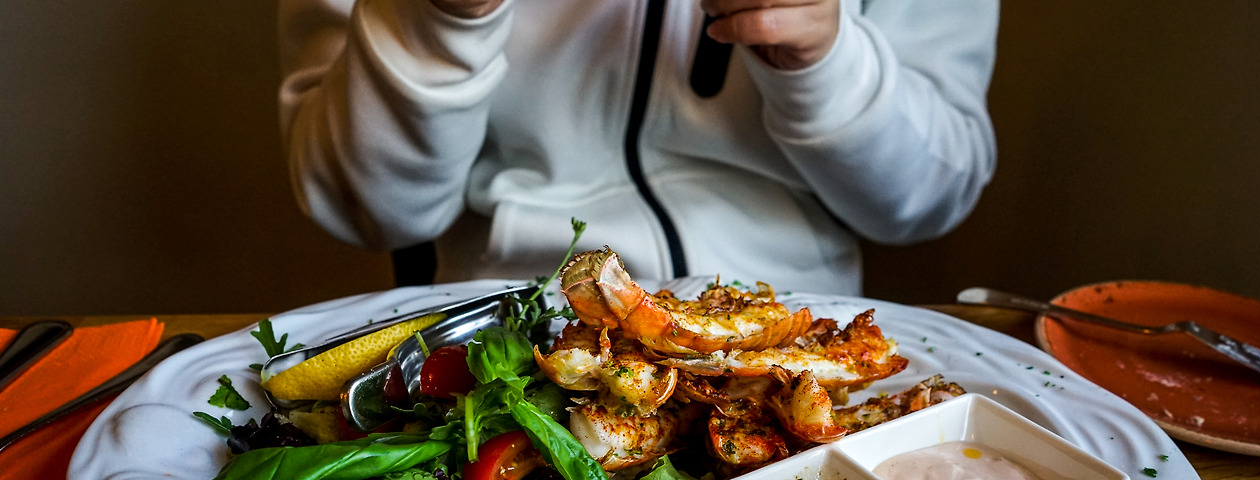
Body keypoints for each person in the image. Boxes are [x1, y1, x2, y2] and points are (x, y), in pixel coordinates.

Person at [277, 0, 998, 295]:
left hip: (797, 332)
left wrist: (825, 61)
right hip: (506, 323)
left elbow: (929, 198)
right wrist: (437, 18)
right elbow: (363, 207)